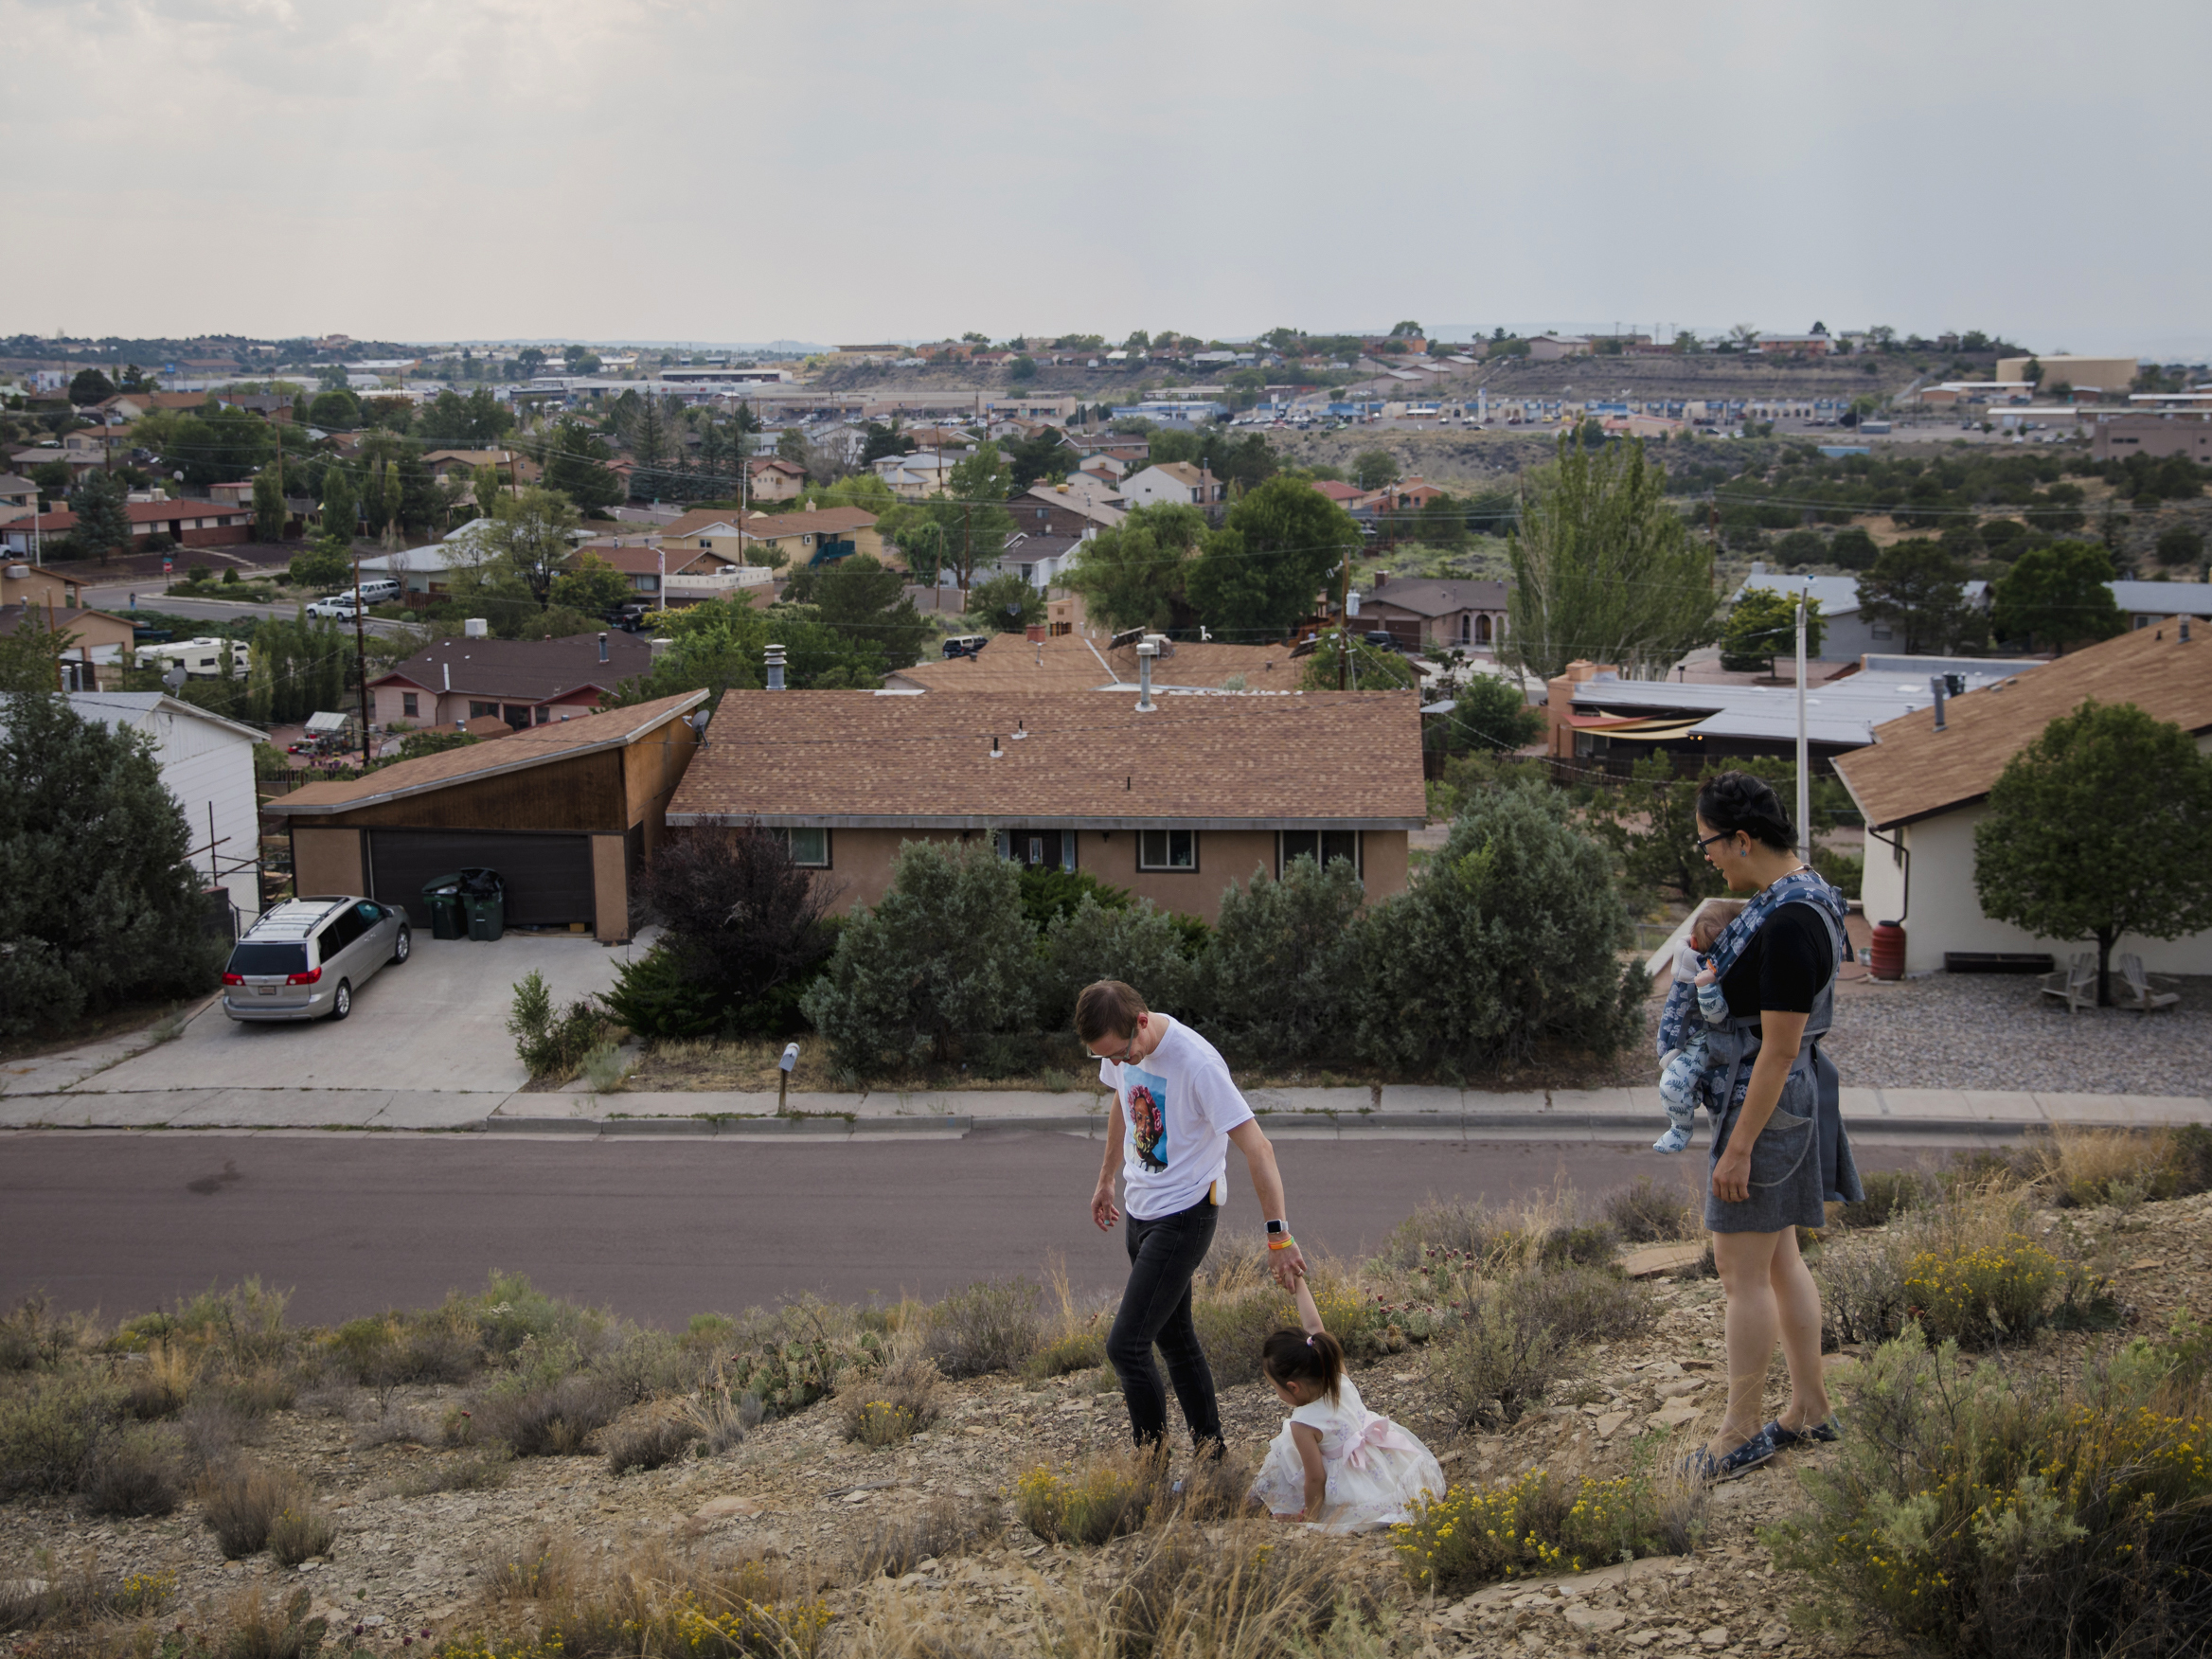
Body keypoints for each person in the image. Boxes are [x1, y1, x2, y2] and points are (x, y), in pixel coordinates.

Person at [1685, 771, 1863, 1483]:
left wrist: (1738, 1147)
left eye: (1708, 843)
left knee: (1741, 1272)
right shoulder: (1807, 891)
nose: (1706, 856)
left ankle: (1737, 1433)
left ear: (1743, 838)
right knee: (1782, 1256)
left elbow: (1780, 1046)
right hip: (1791, 1096)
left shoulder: (1788, 925)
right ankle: (1811, 1407)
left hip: (1768, 1102)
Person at [1079, 978, 1307, 1455]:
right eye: (1107, 1058)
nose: (1117, 1064)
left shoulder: (1198, 1063)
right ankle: (1211, 1454)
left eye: (1121, 1053)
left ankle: (1152, 1468)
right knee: (1175, 1340)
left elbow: (1259, 1148)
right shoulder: (1120, 1054)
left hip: (1184, 1217)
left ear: (1141, 1021)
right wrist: (1106, 1179)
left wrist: (1278, 1237)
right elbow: (1122, 1100)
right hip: (1139, 1212)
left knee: (1126, 1346)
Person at [1248, 1274, 1444, 1529]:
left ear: (1292, 1388)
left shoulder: (1302, 1424)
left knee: (1285, 1453)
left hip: (1350, 1482)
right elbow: (1316, 1328)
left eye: (1275, 1387)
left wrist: (1310, 1517)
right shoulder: (1338, 1377)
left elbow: (1315, 1478)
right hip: (1380, 1462)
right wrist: (1299, 1283)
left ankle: (1275, 1505)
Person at [1653, 901, 1745, 1152]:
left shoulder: (1716, 975)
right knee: (1675, 1082)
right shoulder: (1689, 959)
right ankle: (1691, 1094)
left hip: (1702, 1040)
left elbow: (1716, 1016)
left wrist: (1706, 988)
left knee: (1671, 1086)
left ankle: (1680, 1128)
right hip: (1687, 1037)